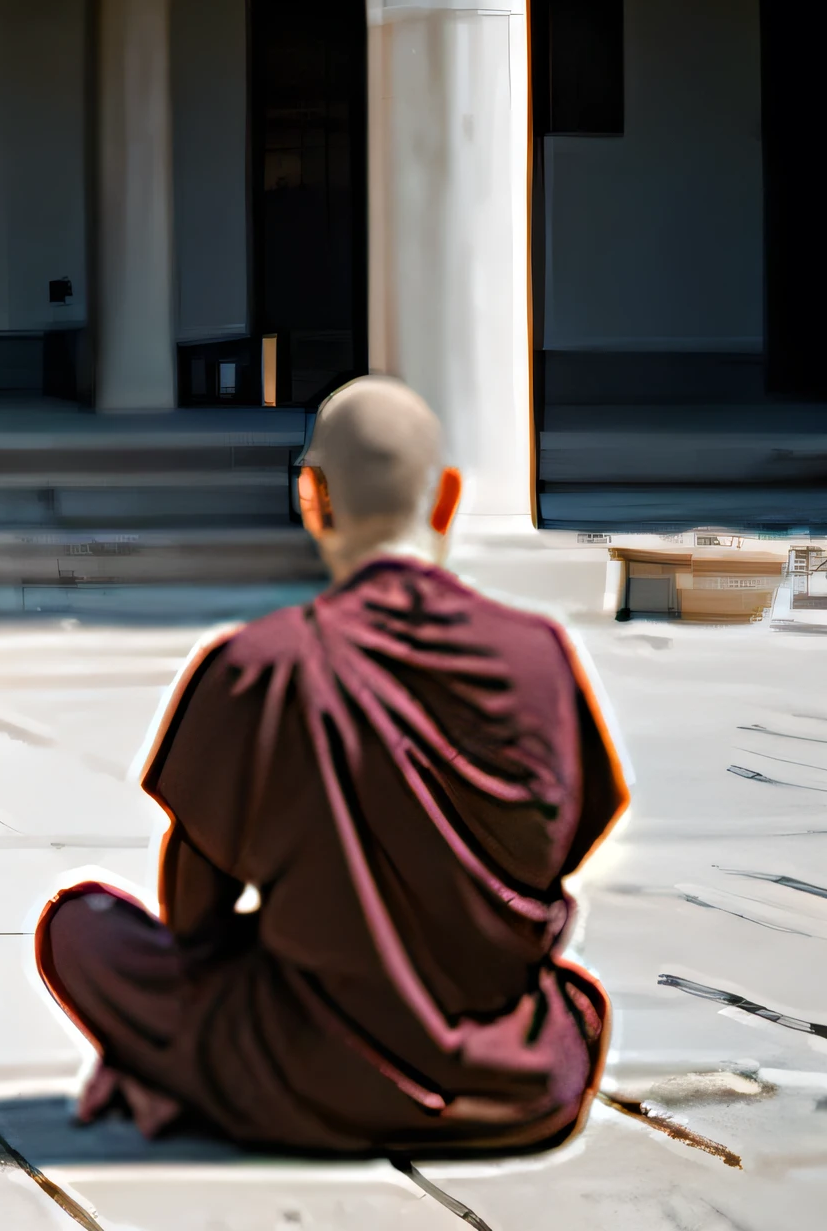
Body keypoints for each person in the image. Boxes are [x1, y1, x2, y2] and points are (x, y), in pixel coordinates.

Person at [35, 375, 625, 1158]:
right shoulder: (539, 658)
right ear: (447, 498)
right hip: (519, 1083)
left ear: (312, 498)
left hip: (301, 1074)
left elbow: (194, 922)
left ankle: (178, 1072)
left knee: (82, 928)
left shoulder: (261, 665)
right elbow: (559, 856)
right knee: (573, 1000)